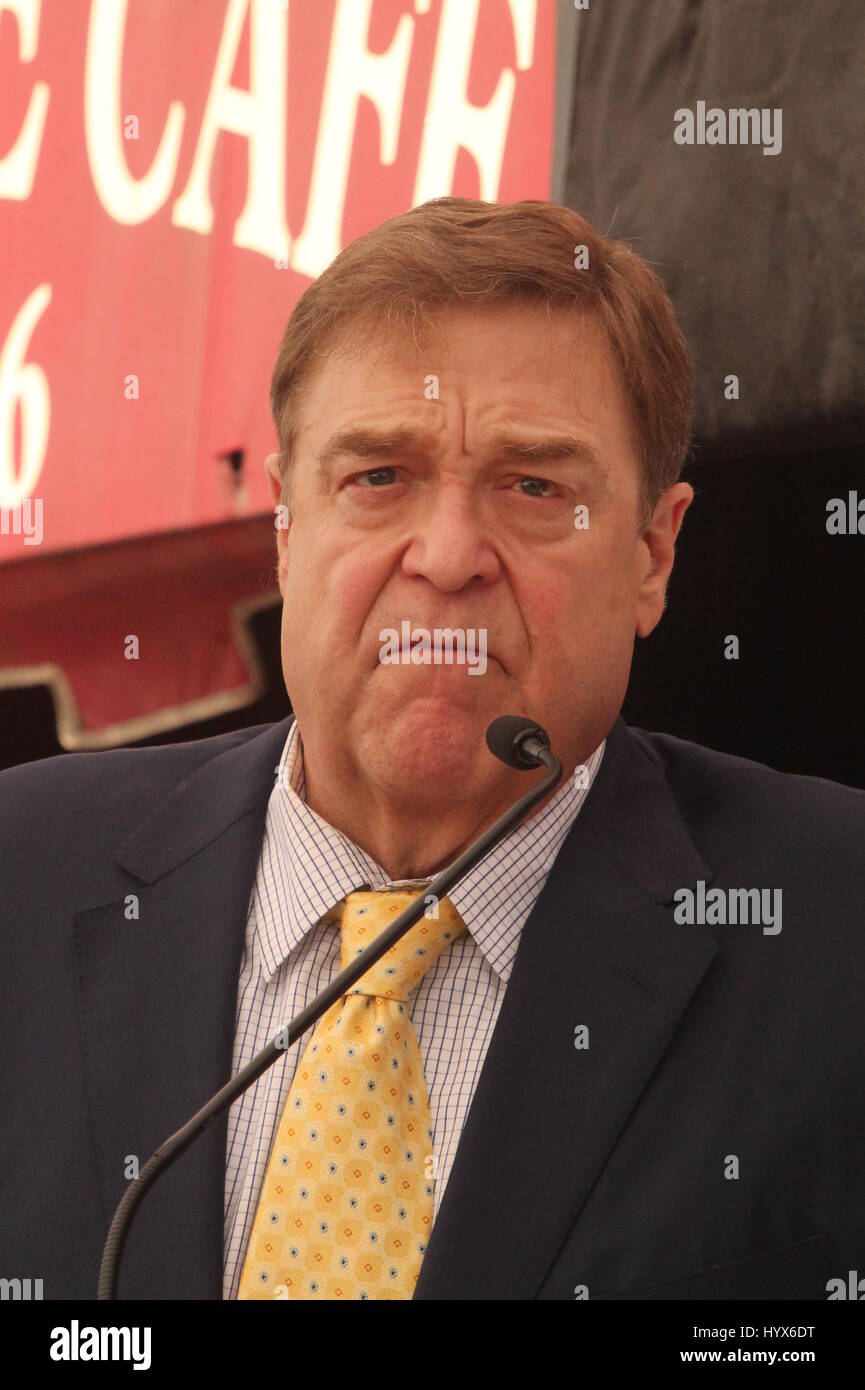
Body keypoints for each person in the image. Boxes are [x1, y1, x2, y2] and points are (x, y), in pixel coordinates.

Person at [1, 198, 862, 1301]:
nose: (449, 556)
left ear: (653, 554)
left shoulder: (837, 930)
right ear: (284, 526)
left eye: (535, 486)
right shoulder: (18, 876)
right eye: (378, 477)